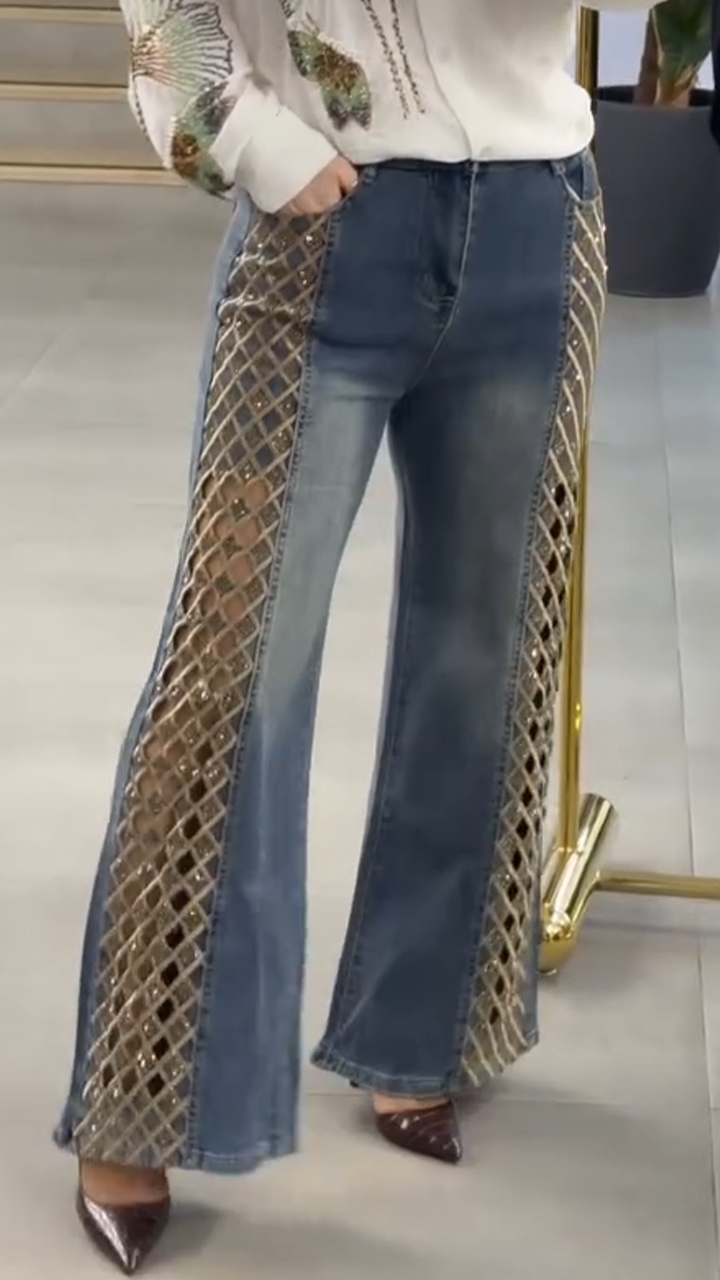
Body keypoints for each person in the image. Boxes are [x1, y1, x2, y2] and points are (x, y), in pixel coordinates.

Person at [54, 0, 643, 1271]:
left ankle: (422, 1030)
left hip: (540, 214)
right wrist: (251, 139)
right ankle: (142, 1095)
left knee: (489, 655)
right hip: (319, 226)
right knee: (231, 665)